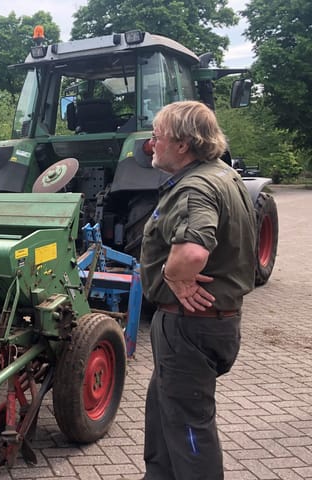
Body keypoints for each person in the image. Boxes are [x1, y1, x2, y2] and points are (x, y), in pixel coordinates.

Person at [139, 100, 257, 479]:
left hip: (189, 327)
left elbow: (191, 250)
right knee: (163, 413)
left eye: (158, 136)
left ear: (183, 145)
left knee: (190, 431)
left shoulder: (196, 187)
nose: (152, 142)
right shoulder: (224, 174)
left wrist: (175, 277)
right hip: (205, 324)